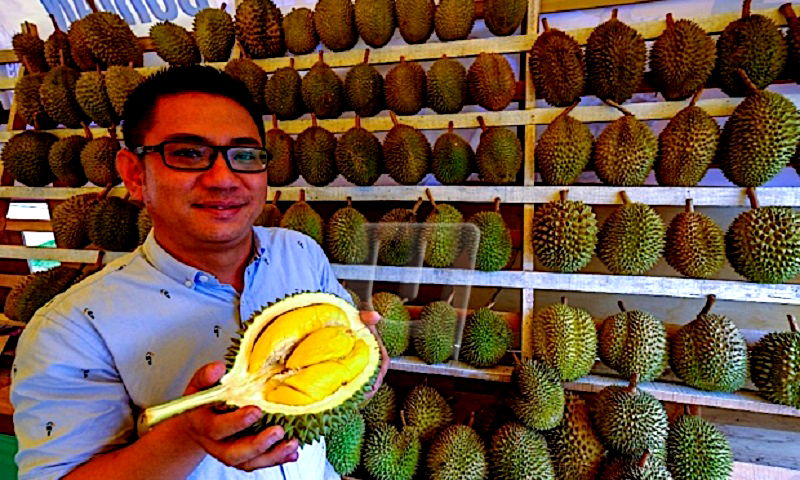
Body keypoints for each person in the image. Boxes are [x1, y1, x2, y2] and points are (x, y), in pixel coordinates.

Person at [10, 65, 386, 480]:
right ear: (135, 174)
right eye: (188, 154)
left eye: (244, 155)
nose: (223, 178)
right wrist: (187, 435)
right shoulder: (70, 330)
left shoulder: (299, 252)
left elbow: (346, 351)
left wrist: (363, 363)